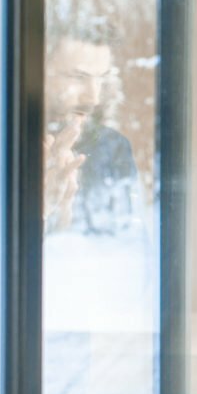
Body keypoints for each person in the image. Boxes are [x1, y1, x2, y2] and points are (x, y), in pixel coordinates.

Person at [43, 18, 139, 235]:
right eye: (78, 77)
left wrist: (61, 212)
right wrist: (40, 211)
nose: (93, 98)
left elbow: (125, 242)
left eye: (101, 79)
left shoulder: (114, 148)